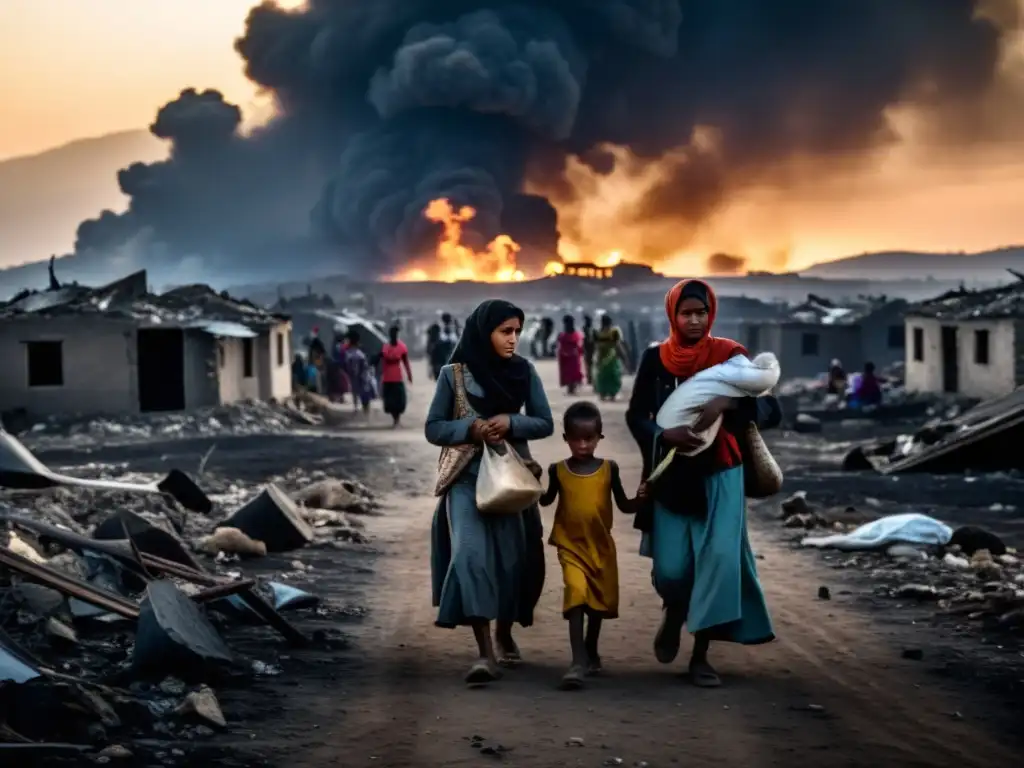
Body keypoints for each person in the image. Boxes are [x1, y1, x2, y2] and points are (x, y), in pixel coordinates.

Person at [626, 278, 779, 688]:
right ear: (672, 315)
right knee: (673, 568)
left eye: (701, 312)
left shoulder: (730, 356)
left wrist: (729, 402)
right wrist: (663, 435)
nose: (694, 320)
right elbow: (636, 414)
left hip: (721, 474)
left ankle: (701, 654)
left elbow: (770, 405)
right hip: (673, 476)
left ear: (711, 313)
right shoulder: (655, 359)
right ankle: (674, 608)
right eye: (686, 313)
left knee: (718, 564)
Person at [425, 299, 554, 685]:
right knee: (469, 556)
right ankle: (484, 653)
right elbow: (434, 428)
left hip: (511, 480)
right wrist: (470, 429)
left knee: (511, 562)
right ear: (485, 333)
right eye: (505, 331)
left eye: (517, 331)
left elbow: (545, 422)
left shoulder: (524, 372)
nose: (513, 339)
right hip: (466, 479)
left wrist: (510, 421)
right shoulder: (453, 375)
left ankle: (504, 631)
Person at [540, 401, 639, 690]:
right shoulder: (557, 470)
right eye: (576, 439)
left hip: (601, 547)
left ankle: (591, 647)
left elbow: (624, 505)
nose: (582, 445)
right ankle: (577, 661)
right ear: (565, 439)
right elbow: (546, 500)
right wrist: (529, 482)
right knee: (576, 593)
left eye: (589, 438)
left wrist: (643, 497)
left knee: (597, 603)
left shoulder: (610, 469)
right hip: (570, 546)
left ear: (600, 437)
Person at [380, 325, 413, 426]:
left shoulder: (402, 347)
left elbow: (406, 362)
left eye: (395, 334)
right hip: (387, 377)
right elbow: (382, 359)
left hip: (397, 377)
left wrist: (409, 375)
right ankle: (395, 418)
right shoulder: (385, 347)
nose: (394, 336)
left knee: (399, 400)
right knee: (390, 401)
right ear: (390, 335)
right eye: (392, 334)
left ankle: (397, 419)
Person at [593, 314, 629, 401]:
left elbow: (596, 347)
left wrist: (596, 359)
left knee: (602, 376)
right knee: (613, 375)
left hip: (601, 357)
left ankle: (602, 394)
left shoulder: (597, 333)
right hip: (612, 358)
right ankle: (612, 394)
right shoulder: (614, 332)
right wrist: (624, 357)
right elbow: (618, 345)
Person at [345, 330, 376, 414]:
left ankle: (356, 409)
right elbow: (365, 365)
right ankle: (365, 411)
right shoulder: (360, 353)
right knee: (364, 395)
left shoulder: (349, 353)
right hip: (362, 376)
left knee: (356, 393)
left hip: (357, 376)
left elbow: (348, 366)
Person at [557, 315, 585, 395]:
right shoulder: (566, 334)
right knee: (570, 372)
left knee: (572, 372)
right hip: (568, 356)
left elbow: (578, 345)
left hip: (571, 356)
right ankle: (571, 388)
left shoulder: (571, 334)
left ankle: (572, 388)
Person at [582, 315, 596, 385]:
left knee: (589, 364)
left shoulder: (586, 329)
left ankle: (590, 378)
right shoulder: (588, 329)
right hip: (589, 348)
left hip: (589, 348)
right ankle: (590, 378)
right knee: (589, 364)